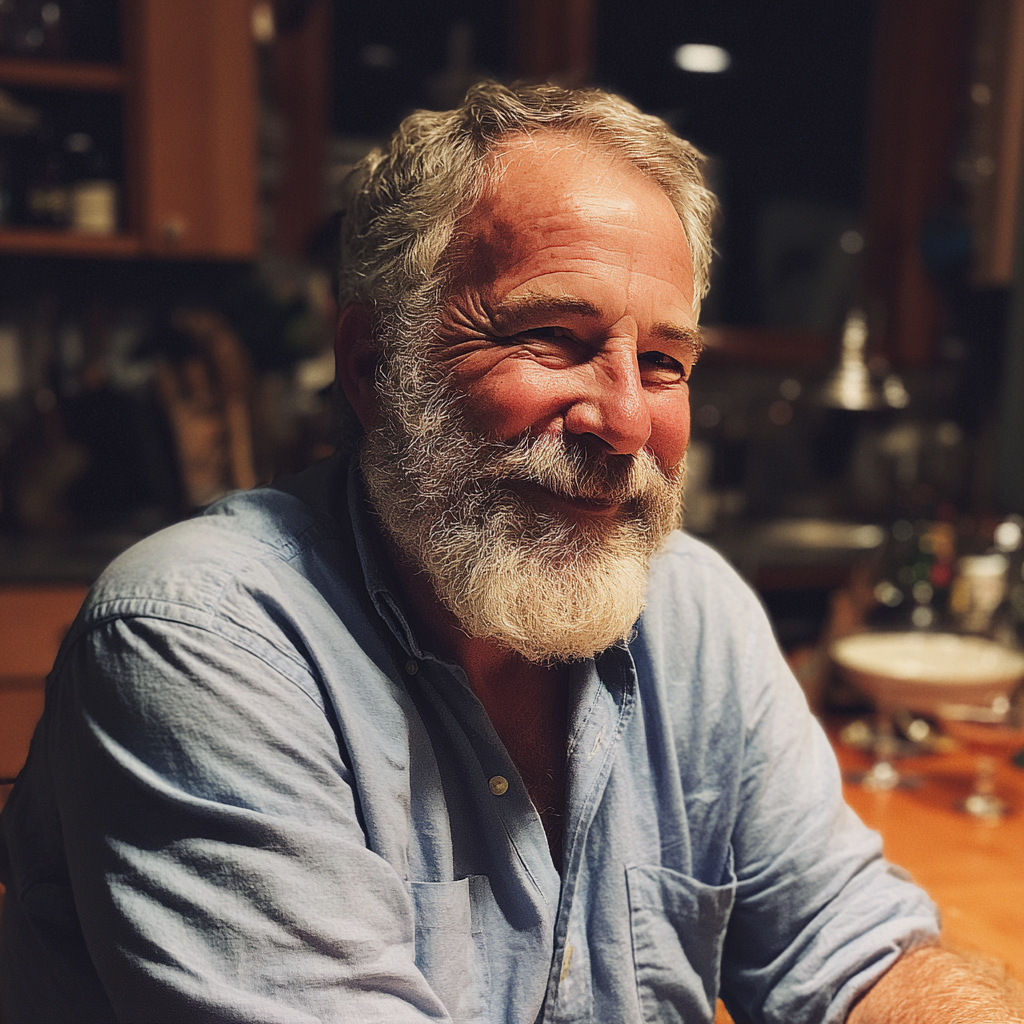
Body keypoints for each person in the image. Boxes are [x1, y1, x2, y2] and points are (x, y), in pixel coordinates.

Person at [0, 81, 1018, 1024]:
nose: (624, 418)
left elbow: (854, 951)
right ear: (372, 364)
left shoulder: (693, 609)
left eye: (662, 361)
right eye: (555, 338)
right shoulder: (199, 643)